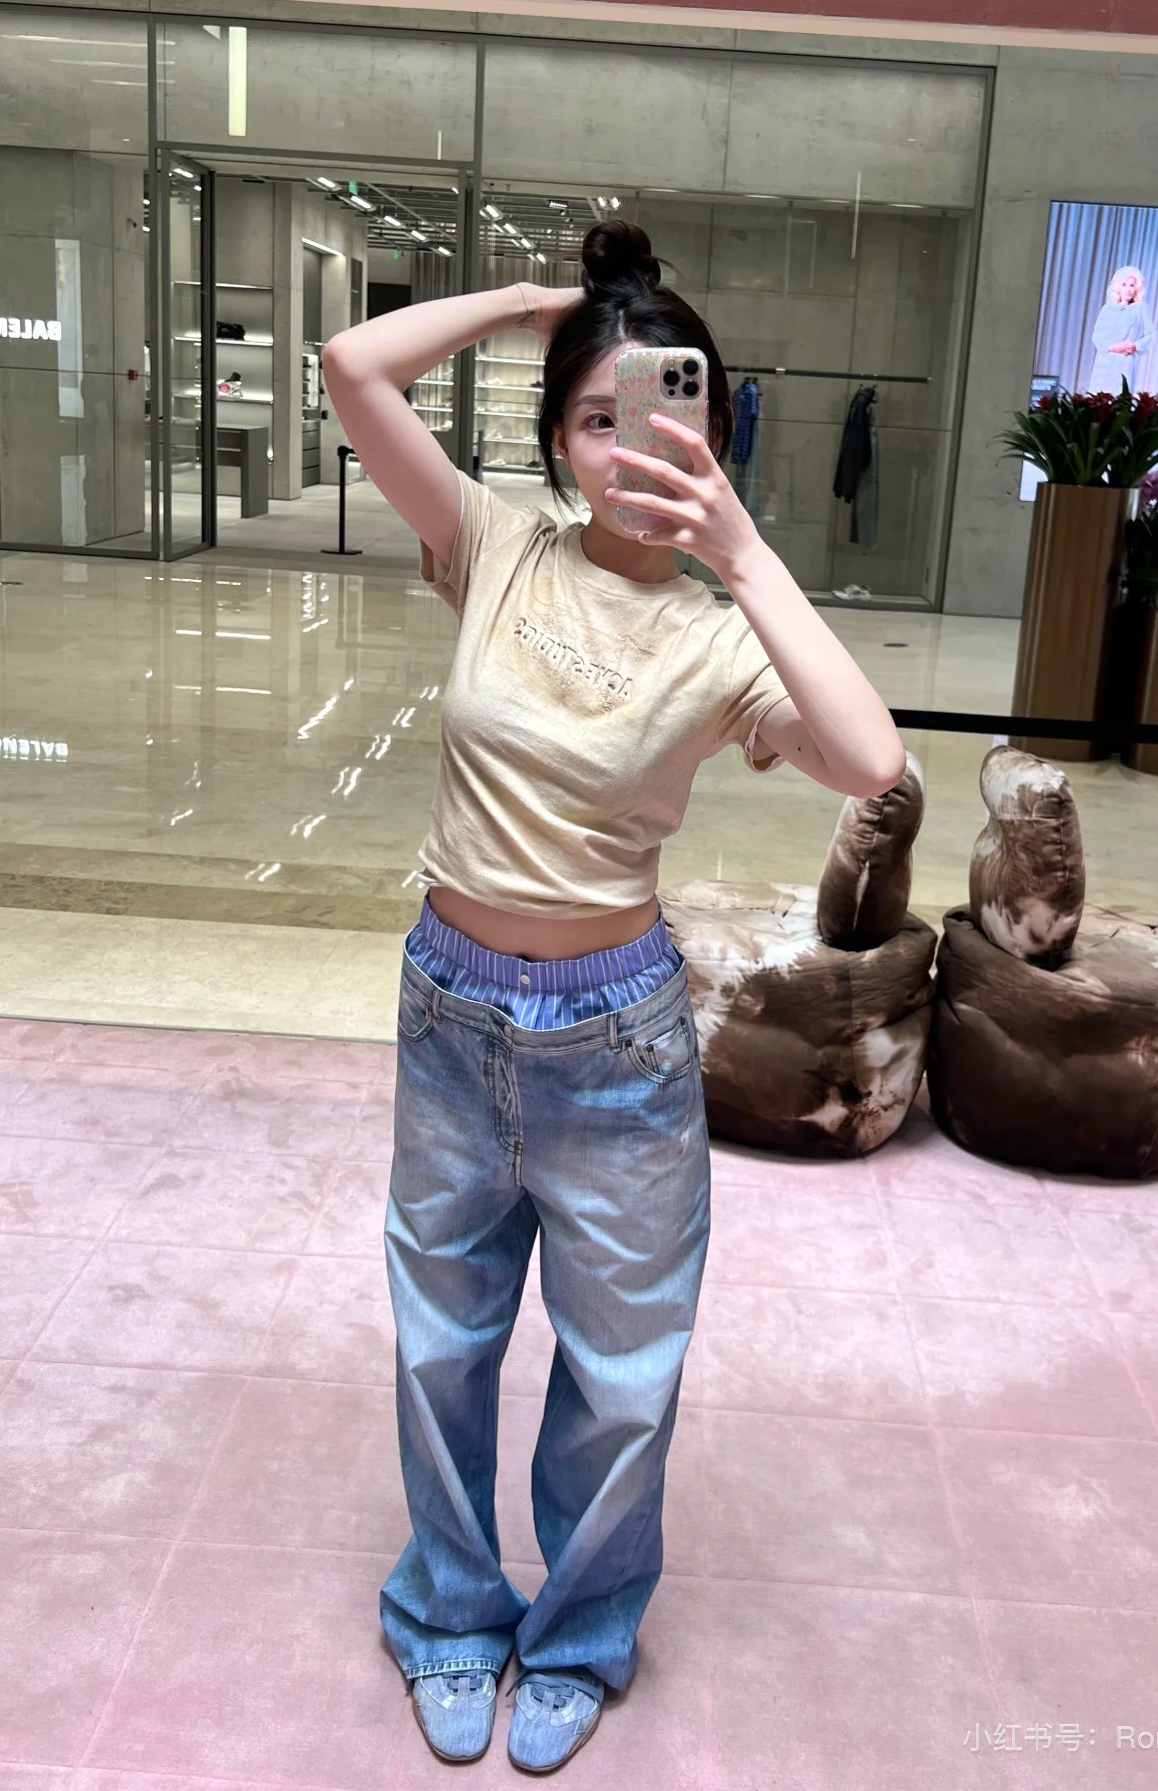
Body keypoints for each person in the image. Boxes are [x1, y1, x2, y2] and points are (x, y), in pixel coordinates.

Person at [322, 221, 905, 1776]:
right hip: (451, 1018)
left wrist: (747, 555)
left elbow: (872, 760)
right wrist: (541, 301)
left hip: (616, 1043)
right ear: (558, 438)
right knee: (440, 1346)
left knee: (622, 1377)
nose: (631, 445)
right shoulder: (495, 545)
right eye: (598, 415)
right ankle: (451, 1616)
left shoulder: (721, 637)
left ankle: (579, 1632)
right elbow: (353, 365)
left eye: (667, 413)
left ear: (716, 434)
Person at [1087, 263, 1155, 395]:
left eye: (1132, 285)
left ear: (1137, 288)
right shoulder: (1107, 309)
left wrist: (1135, 345)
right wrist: (1114, 347)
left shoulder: (1140, 309)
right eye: (1124, 285)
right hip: (1105, 361)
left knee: (1120, 395)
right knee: (1100, 396)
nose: (1128, 289)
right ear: (1118, 287)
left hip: (1125, 360)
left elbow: (1150, 335)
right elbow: (1097, 337)